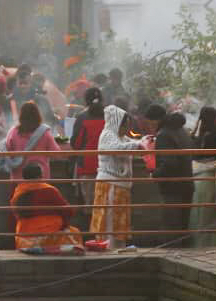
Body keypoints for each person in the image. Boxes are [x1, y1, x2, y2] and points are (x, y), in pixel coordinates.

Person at [90, 104, 145, 250]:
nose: (127, 130)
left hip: (120, 186)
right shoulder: (108, 135)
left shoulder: (120, 136)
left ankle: (118, 248)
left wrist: (143, 142)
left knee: (119, 223)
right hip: (110, 185)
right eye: (125, 126)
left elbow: (130, 143)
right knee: (110, 221)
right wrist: (138, 146)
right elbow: (117, 149)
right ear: (116, 123)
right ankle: (109, 249)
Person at [12, 163, 84, 254]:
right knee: (75, 232)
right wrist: (63, 224)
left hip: (24, 238)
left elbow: (17, 214)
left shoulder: (18, 191)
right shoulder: (49, 190)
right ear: (40, 175)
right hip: (48, 237)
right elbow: (68, 211)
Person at [153, 112, 195, 242]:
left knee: (170, 224)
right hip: (187, 184)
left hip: (172, 187)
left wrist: (155, 173)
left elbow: (169, 163)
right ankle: (182, 250)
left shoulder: (164, 135)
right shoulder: (183, 132)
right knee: (182, 223)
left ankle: (171, 249)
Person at [68, 87, 106, 228]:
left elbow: (75, 143)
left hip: (87, 166)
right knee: (104, 205)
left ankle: (89, 236)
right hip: (107, 166)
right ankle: (103, 236)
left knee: (88, 205)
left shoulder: (82, 117)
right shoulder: (109, 116)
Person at [190, 106, 216, 247]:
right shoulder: (212, 136)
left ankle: (199, 242)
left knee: (201, 212)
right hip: (209, 177)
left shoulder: (198, 135)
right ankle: (210, 243)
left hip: (198, 177)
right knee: (209, 213)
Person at [0, 102, 62, 180]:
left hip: (18, 178)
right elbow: (57, 154)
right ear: (38, 115)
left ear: (21, 116)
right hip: (40, 177)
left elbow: (7, 151)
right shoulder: (45, 132)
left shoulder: (13, 132)